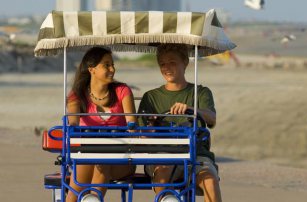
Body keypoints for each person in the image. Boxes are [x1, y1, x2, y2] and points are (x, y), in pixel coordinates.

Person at [138, 44, 222, 202]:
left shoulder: (201, 92)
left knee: (209, 179)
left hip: (196, 154)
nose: (167, 68)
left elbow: (211, 118)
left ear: (185, 62)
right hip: (161, 155)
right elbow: (141, 135)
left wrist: (191, 109)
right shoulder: (150, 97)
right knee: (163, 168)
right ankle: (167, 198)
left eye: (172, 62)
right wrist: (152, 127)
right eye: (162, 64)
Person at [66, 47, 137, 202]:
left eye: (112, 64)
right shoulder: (76, 95)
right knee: (74, 192)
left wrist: (131, 127)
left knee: (102, 161)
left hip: (123, 157)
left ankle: (94, 198)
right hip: (89, 154)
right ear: (92, 69)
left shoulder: (122, 91)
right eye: (106, 65)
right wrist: (74, 126)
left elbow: (131, 122)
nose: (112, 69)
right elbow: (73, 120)